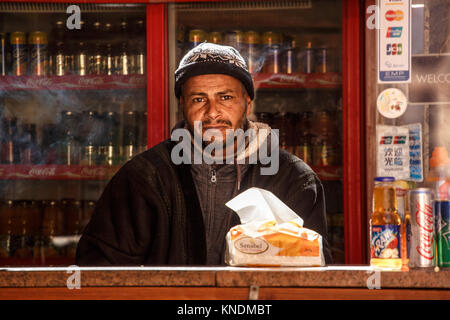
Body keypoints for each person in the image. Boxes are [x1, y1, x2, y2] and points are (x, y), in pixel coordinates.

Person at [76, 42, 332, 265]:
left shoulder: (293, 179)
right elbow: (100, 271)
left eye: (225, 97)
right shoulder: (144, 177)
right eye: (199, 99)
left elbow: (312, 276)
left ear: (247, 103)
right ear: (182, 105)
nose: (212, 112)